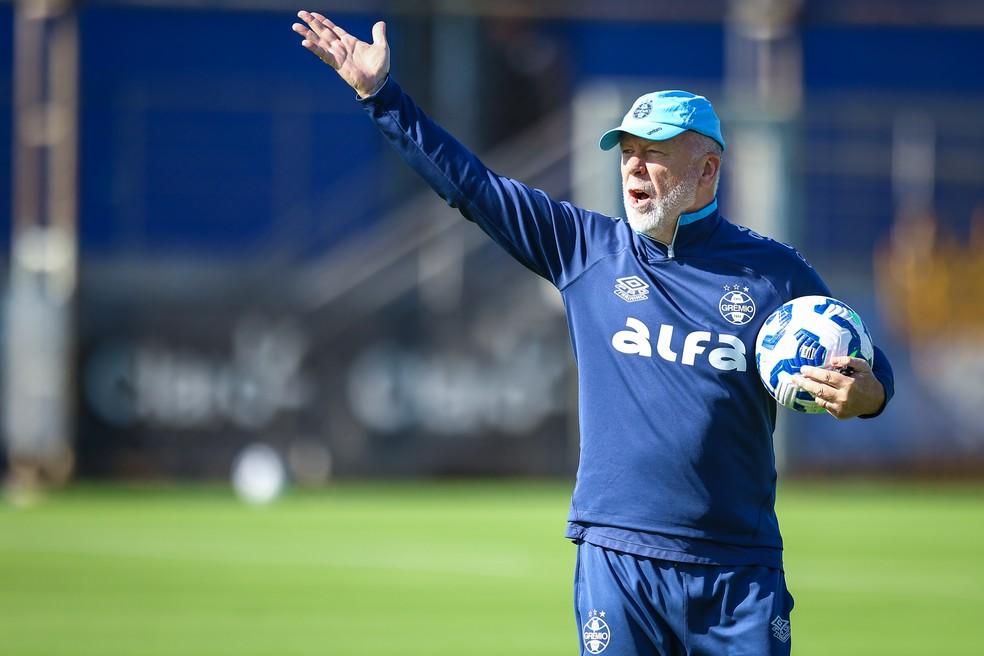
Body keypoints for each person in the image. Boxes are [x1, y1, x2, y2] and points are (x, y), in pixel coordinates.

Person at [291, 11, 894, 655]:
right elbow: (472, 186)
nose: (634, 170)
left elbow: (865, 362)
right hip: (618, 558)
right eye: (628, 154)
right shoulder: (586, 249)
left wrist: (867, 396)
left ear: (708, 169)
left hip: (736, 571)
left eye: (655, 154)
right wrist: (382, 97)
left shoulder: (773, 272)